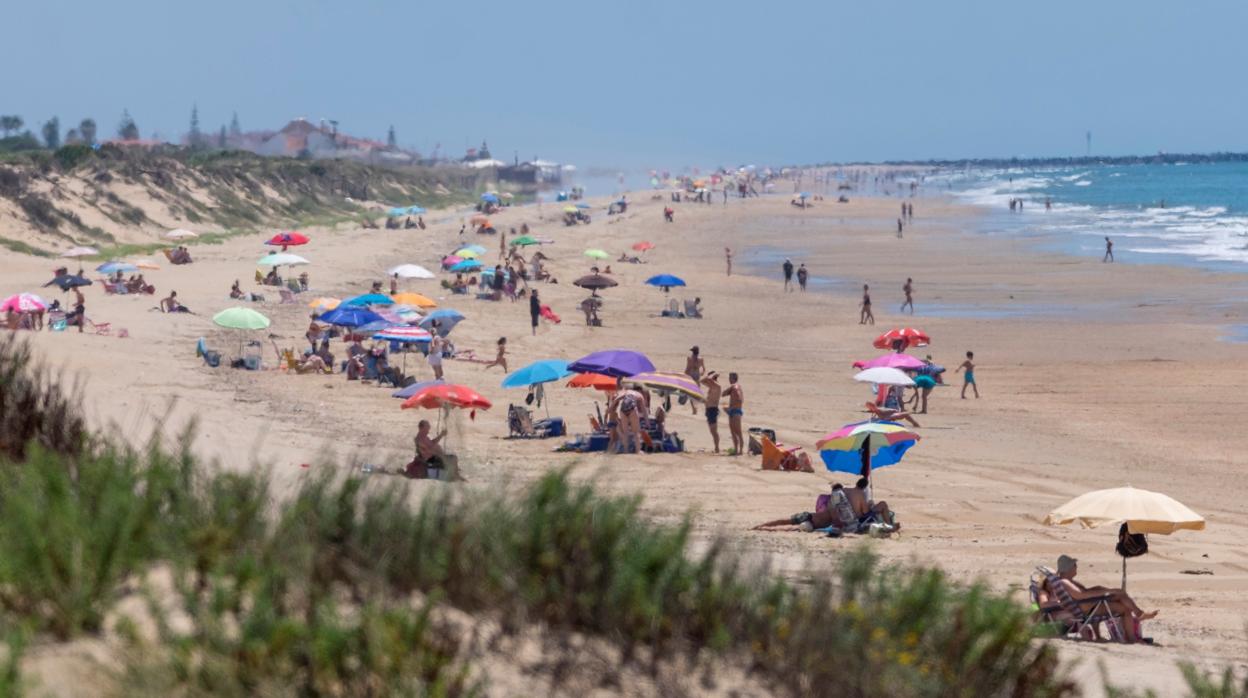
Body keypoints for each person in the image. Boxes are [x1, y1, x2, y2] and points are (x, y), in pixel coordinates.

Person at [1045, 555, 1154, 642]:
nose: (1076, 567)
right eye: (1074, 565)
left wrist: (1101, 590)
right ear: (1068, 568)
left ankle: (1137, 615)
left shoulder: (1064, 582)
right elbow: (1081, 595)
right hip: (1088, 609)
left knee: (1119, 595)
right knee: (1124, 607)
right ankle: (1134, 633)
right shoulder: (1065, 582)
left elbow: (1081, 595)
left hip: (1087, 608)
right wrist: (1106, 592)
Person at [700, 371, 723, 453]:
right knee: (712, 431)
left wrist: (712, 375)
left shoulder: (717, 386)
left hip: (713, 410)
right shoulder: (711, 386)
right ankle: (716, 447)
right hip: (709, 410)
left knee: (714, 431)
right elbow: (702, 381)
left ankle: (717, 448)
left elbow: (707, 379)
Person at [726, 372, 744, 455]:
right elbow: (724, 393)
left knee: (738, 432)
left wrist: (733, 406)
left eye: (730, 378)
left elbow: (739, 398)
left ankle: (740, 450)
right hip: (734, 410)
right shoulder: (733, 387)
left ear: (733, 378)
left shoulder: (735, 386)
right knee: (733, 431)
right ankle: (736, 450)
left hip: (735, 410)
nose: (729, 379)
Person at [684, 346, 705, 415]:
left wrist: (683, 376)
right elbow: (704, 369)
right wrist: (702, 373)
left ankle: (694, 409)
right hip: (697, 377)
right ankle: (696, 408)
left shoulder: (689, 358)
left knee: (691, 394)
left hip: (691, 377)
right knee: (697, 394)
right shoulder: (701, 359)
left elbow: (687, 369)